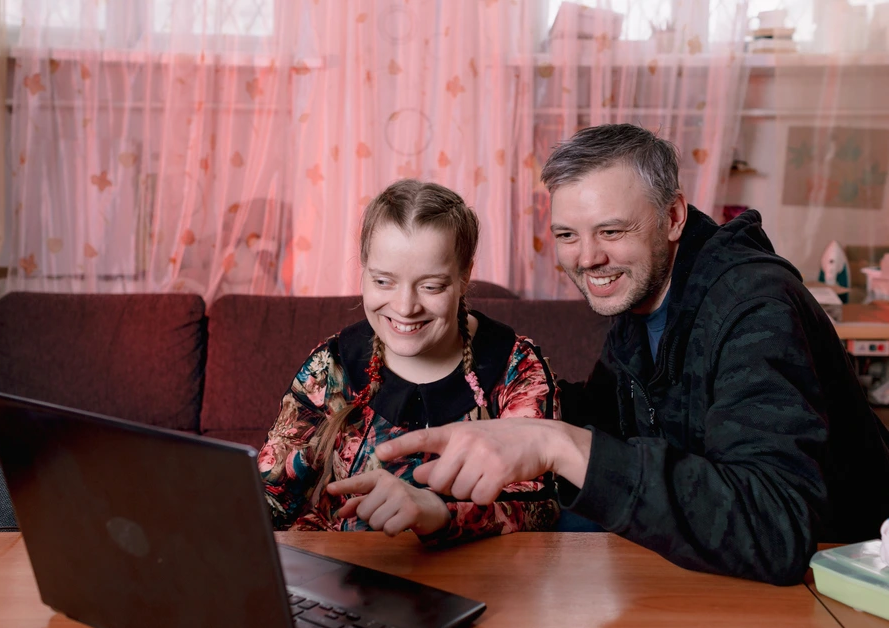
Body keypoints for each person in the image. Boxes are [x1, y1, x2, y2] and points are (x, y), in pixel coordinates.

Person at [375, 123, 889, 584]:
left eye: (612, 231)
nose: (588, 257)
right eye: (567, 236)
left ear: (672, 216)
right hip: (707, 568)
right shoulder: (642, 298)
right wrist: (471, 349)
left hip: (837, 585)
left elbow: (775, 529)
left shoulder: (756, 306)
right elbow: (603, 416)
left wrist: (559, 444)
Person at [258, 179, 560, 542]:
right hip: (345, 576)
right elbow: (272, 494)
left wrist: (438, 512)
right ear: (364, 269)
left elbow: (540, 507)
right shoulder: (332, 365)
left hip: (478, 580)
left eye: (431, 286)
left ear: (465, 275)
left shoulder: (515, 368)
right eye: (383, 281)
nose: (404, 307)